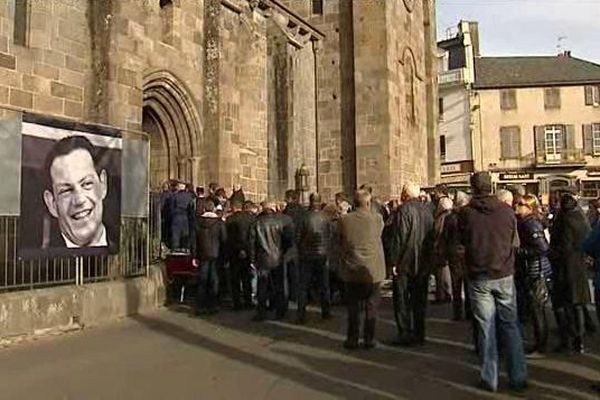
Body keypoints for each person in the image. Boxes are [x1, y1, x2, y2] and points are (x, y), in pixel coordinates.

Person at [459, 172, 527, 393]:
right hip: (504, 272)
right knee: (510, 325)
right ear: (491, 187)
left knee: (486, 328)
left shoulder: (466, 214)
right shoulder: (507, 211)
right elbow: (514, 242)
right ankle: (518, 376)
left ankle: (490, 377)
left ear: (473, 188)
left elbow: (462, 241)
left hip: (479, 275)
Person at [42, 135, 114, 249]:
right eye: (66, 190)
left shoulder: (131, 250)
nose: (79, 200)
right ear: (52, 204)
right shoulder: (40, 263)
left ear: (103, 184)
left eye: (86, 184)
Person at [338, 189, 386, 349]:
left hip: (352, 269)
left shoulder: (344, 220)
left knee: (353, 308)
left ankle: (352, 339)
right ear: (368, 203)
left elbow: (340, 241)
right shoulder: (377, 219)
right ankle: (369, 338)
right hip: (373, 270)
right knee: (371, 307)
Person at [391, 182, 435, 346]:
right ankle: (419, 332)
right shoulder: (427, 210)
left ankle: (405, 333)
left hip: (406, 262)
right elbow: (432, 237)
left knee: (402, 300)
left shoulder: (403, 210)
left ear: (405, 194)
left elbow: (399, 237)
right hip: (422, 261)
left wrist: (394, 261)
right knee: (419, 300)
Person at [550, 191, 592, 353]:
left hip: (565, 267)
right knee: (577, 305)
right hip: (579, 266)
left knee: (563, 305)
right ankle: (579, 340)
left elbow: (563, 247)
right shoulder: (581, 218)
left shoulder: (564, 220)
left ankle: (568, 339)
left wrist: (552, 254)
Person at [515, 194, 553, 357]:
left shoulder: (530, 224)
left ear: (530, 207)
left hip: (537, 270)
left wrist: (519, 252)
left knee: (538, 309)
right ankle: (539, 343)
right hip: (532, 269)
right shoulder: (525, 222)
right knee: (536, 308)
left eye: (521, 204)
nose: (517, 207)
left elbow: (542, 248)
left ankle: (541, 346)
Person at [249, 200, 294, 321]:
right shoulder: (280, 221)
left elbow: (252, 243)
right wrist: (283, 252)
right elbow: (288, 240)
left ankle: (261, 312)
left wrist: (252, 259)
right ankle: (281, 311)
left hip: (262, 258)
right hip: (278, 257)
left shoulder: (257, 222)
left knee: (262, 286)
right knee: (280, 285)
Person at [296, 193, 332, 324]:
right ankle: (326, 311)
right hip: (322, 254)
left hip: (307, 254)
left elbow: (298, 236)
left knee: (303, 286)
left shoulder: (304, 217)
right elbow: (330, 236)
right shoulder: (326, 217)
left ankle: (301, 314)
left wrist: (301, 249)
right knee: (324, 285)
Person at [195, 200, 227, 314]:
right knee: (214, 279)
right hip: (216, 253)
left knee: (202, 279)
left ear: (204, 209)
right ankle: (213, 304)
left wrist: (195, 255)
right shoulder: (219, 223)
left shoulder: (198, 222)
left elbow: (195, 241)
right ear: (213, 209)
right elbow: (224, 240)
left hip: (203, 254)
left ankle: (200, 305)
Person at [225, 200, 256, 310]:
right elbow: (252, 236)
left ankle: (237, 302)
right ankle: (248, 301)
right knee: (246, 277)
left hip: (233, 252)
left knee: (235, 279)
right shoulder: (251, 219)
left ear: (233, 208)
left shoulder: (229, 220)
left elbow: (226, 238)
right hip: (247, 251)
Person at [433, 197, 453, 305]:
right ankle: (447, 292)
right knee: (445, 271)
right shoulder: (451, 216)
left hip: (441, 247)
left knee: (441, 272)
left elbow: (438, 232)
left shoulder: (442, 217)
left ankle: (442, 294)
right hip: (446, 248)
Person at [167, 181, 196, 251]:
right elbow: (192, 209)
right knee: (185, 235)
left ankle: (175, 249)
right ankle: (185, 249)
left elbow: (171, 208)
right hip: (185, 217)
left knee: (175, 234)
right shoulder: (189, 197)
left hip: (176, 216)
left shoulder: (174, 196)